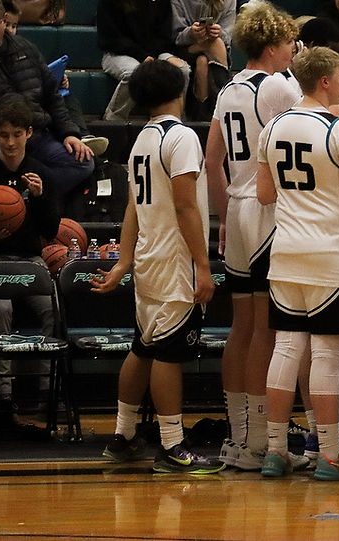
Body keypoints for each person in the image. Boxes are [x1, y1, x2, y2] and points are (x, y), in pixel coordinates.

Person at [92, 59, 222, 474]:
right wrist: (203, 265)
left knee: (143, 347)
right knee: (167, 353)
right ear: (180, 91)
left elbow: (132, 207)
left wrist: (124, 261)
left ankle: (124, 434)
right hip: (173, 258)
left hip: (149, 257)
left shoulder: (142, 139)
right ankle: (171, 445)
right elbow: (186, 205)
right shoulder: (180, 136)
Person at [255, 46, 339, 481]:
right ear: (324, 81)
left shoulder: (271, 128)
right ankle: (329, 455)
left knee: (287, 349)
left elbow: (265, 195)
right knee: (325, 355)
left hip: (285, 252)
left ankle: (274, 452)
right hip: (331, 255)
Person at [204, 0, 302, 471]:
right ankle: (262, 440)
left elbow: (211, 161)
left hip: (239, 208)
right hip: (268, 209)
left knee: (240, 327)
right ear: (271, 46)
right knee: (266, 327)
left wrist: (223, 216)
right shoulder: (281, 86)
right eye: (288, 43)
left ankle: (239, 436)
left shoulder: (229, 89)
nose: (293, 51)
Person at [0, 96, 59, 412]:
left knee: (52, 307)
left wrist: (41, 198)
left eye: (17, 134)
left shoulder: (41, 174)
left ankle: (47, 394)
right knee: (1, 309)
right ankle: (1, 399)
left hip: (29, 261)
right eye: (4, 135)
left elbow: (52, 228)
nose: (11, 142)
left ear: (29, 133)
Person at [0, 0, 94, 198]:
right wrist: (9, 140)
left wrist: (69, 133)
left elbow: (52, 96)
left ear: (3, 22)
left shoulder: (26, 49)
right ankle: (8, 204)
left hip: (33, 135)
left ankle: (26, 199)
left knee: (82, 162)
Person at [97, 0, 191, 121]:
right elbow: (110, 38)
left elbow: (164, 32)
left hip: (153, 52)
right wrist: (141, 55)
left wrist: (155, 55)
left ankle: (176, 118)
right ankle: (112, 120)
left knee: (182, 70)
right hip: (117, 53)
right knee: (133, 73)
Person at [169, 0, 237, 119]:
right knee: (215, 44)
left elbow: (229, 38)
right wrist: (191, 33)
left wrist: (218, 32)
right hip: (186, 49)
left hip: (214, 51)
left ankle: (201, 115)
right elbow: (175, 37)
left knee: (202, 62)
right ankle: (227, 102)